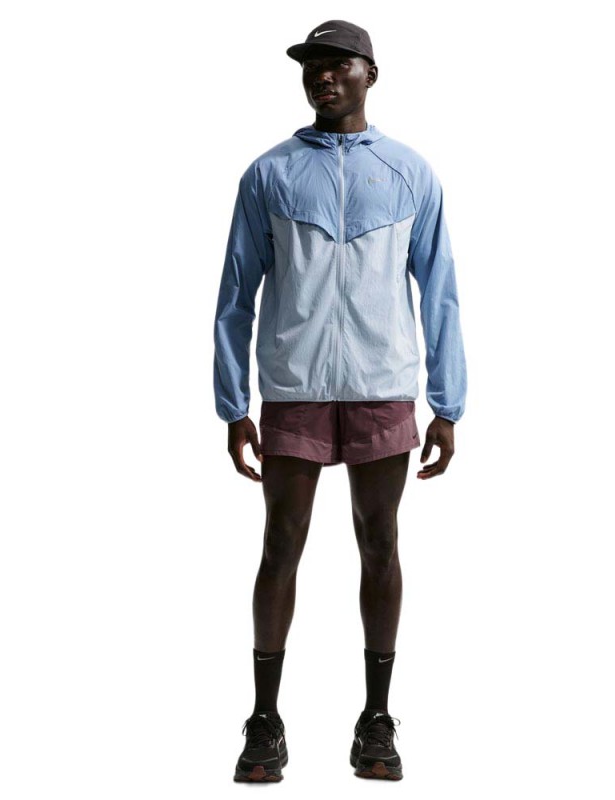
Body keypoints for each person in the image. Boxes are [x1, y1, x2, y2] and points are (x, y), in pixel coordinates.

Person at [213, 19, 467, 782]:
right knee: (280, 544)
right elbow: (235, 295)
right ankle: (264, 720)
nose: (322, 77)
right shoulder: (269, 174)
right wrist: (233, 404)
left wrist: (447, 404)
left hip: (383, 387)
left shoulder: (410, 173)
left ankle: (376, 719)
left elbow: (441, 292)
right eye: (311, 67)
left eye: (338, 65)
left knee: (380, 542)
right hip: (293, 389)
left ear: (370, 74)